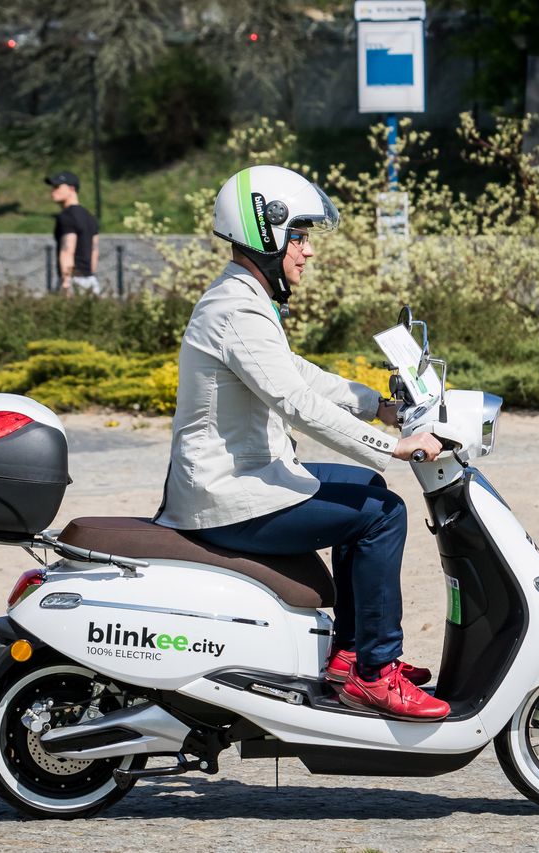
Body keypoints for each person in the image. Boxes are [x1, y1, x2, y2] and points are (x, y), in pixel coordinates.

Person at [154, 165, 449, 721]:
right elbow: (298, 404)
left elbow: (299, 375)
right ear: (266, 233)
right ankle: (374, 672)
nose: (308, 250)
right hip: (226, 500)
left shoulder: (243, 298)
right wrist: (393, 445)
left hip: (246, 481)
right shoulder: (236, 308)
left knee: (366, 491)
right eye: (300, 235)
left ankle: (350, 655)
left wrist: (379, 406)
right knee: (381, 513)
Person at [45, 171, 101, 297]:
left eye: (57, 187)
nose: (53, 191)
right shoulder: (90, 217)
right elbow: (94, 251)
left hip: (72, 281)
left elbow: (67, 249)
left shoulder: (66, 216)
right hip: (90, 280)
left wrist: (65, 282)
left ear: (71, 188)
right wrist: (91, 275)